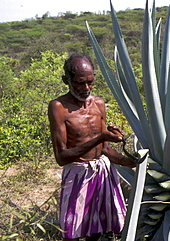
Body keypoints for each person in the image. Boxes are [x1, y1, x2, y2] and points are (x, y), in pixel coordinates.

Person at [48, 54, 136, 241]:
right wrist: (100, 138)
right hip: (78, 174)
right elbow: (61, 157)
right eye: (80, 83)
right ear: (66, 80)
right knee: (71, 230)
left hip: (102, 171)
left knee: (97, 228)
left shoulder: (98, 103)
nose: (86, 88)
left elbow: (105, 149)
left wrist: (130, 161)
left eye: (90, 82)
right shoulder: (59, 107)